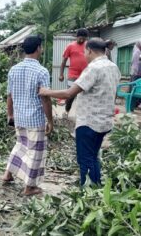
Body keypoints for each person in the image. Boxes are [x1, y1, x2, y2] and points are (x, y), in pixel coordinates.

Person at [39, 38, 120, 186]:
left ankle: (88, 192)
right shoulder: (113, 66)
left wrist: (46, 91)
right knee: (93, 156)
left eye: (85, 52)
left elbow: (70, 93)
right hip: (105, 121)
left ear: (89, 50)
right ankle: (96, 189)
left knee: (85, 159)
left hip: (90, 122)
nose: (84, 55)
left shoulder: (93, 68)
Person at [2, 35, 53, 196]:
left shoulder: (14, 69)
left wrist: (10, 114)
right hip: (35, 119)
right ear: (39, 48)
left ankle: (8, 174)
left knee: (21, 146)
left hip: (19, 117)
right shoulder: (41, 71)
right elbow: (45, 98)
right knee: (35, 152)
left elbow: (9, 95)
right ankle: (29, 187)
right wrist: (50, 120)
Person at [59, 28, 89, 116]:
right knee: (70, 95)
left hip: (86, 74)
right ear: (76, 37)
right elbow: (64, 61)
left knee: (85, 94)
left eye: (84, 38)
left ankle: (83, 114)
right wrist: (61, 74)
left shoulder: (88, 46)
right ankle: (67, 111)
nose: (82, 40)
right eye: (80, 38)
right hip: (73, 74)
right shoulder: (70, 46)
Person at [129, 40, 141, 110]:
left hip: (136, 73)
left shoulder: (137, 51)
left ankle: (135, 104)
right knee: (134, 89)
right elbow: (136, 64)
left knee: (135, 89)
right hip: (136, 74)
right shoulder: (137, 52)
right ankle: (133, 105)